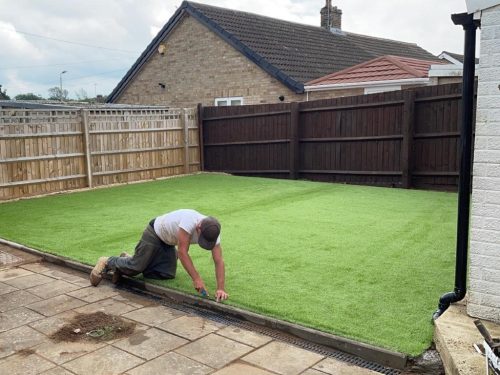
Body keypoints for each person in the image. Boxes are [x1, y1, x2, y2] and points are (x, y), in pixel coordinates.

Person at [89, 209, 229, 302]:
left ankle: (129, 260)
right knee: (136, 267)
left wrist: (220, 288)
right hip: (155, 233)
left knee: (165, 274)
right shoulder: (189, 220)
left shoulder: (213, 231)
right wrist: (197, 279)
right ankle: (107, 261)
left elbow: (218, 261)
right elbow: (182, 252)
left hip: (168, 242)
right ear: (199, 227)